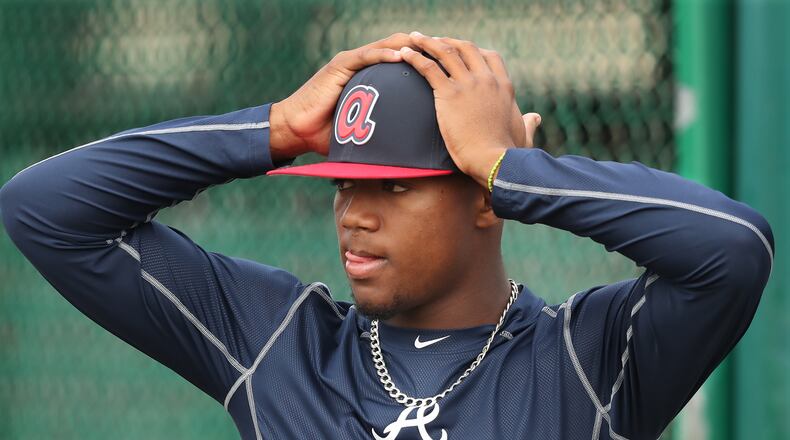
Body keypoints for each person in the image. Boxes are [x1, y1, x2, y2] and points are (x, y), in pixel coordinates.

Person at [0, 31, 774, 440]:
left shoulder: (589, 359)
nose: (354, 214)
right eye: (345, 184)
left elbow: (732, 250)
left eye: (395, 187)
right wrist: (271, 130)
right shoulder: (278, 345)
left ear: (482, 198)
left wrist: (516, 172)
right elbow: (46, 210)